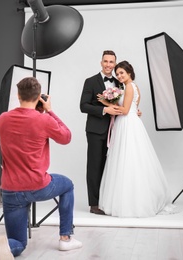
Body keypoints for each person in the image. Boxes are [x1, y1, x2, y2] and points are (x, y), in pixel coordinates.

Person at [0, 77, 82, 259]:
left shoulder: (3, 119)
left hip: (11, 190)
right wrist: (49, 111)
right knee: (67, 185)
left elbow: (21, 127)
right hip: (37, 186)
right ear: (39, 97)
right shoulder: (44, 120)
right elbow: (66, 137)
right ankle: (65, 238)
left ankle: (8, 246)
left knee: (18, 243)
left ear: (18, 95)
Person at [98, 60, 172, 217]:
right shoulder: (129, 87)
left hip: (127, 123)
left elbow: (125, 110)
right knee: (128, 159)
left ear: (129, 73)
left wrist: (106, 102)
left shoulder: (130, 86)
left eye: (121, 73)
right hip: (128, 123)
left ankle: (133, 202)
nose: (119, 76)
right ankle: (127, 199)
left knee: (129, 159)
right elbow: (135, 108)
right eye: (117, 74)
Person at [80, 50, 122, 215]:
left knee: (110, 166)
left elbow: (124, 104)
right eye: (106, 61)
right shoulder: (90, 81)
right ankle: (94, 203)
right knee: (94, 166)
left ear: (115, 64)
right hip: (95, 131)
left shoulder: (119, 83)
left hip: (115, 130)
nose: (108, 65)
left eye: (111, 62)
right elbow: (83, 106)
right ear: (101, 62)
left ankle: (108, 201)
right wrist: (105, 109)